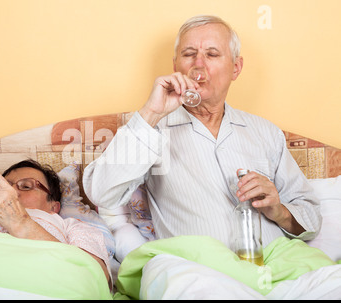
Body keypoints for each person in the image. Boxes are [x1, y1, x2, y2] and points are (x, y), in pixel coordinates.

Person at [83, 15, 321, 251]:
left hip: (276, 265)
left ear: (236, 68)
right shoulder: (151, 128)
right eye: (189, 54)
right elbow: (102, 193)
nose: (199, 64)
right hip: (200, 272)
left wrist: (278, 211)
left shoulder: (266, 133)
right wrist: (152, 112)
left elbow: (311, 216)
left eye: (212, 54)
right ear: (176, 67)